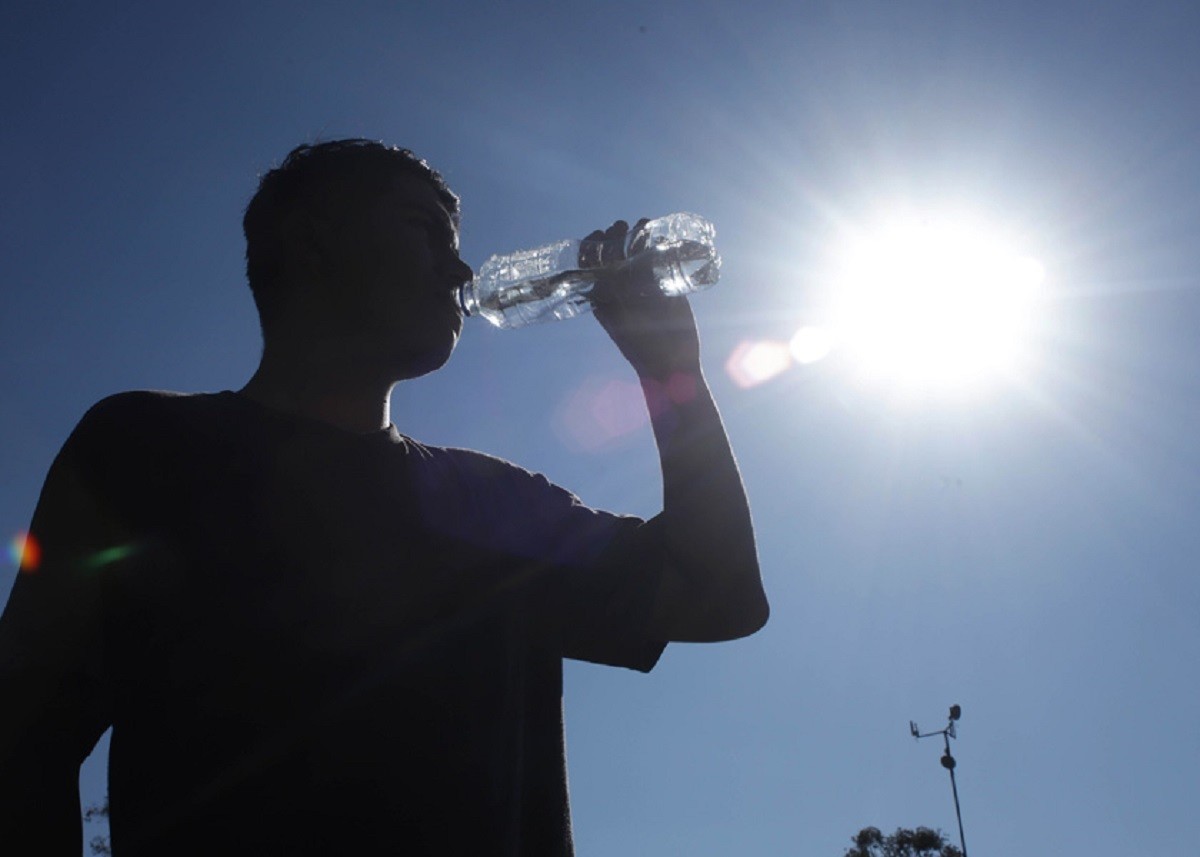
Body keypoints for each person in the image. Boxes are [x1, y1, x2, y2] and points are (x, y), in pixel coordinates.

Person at [0, 139, 767, 856]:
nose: (460, 271)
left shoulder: (495, 503)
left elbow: (719, 597)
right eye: (423, 231)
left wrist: (672, 372)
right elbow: (25, 733)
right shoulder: (145, 447)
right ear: (311, 244)